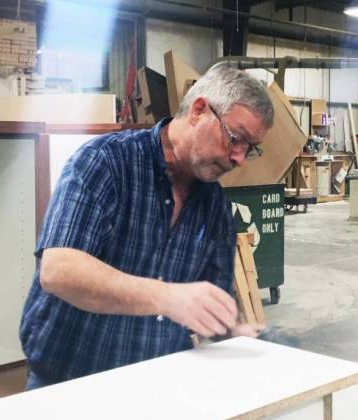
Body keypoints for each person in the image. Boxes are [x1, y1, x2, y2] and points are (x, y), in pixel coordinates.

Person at [19, 65, 274, 390]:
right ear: (198, 111)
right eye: (236, 139)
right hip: (67, 381)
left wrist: (236, 332)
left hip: (155, 384)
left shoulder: (214, 206)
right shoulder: (106, 162)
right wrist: (167, 297)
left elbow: (214, 297)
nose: (239, 158)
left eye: (250, 148)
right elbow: (59, 271)